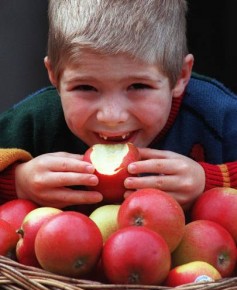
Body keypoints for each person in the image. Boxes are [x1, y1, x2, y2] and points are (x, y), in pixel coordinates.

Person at [0, 0, 237, 213]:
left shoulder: (215, 115)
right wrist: (16, 181)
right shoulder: (37, 120)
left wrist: (214, 180)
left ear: (180, 76)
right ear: (54, 75)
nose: (112, 116)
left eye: (138, 86)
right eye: (85, 88)